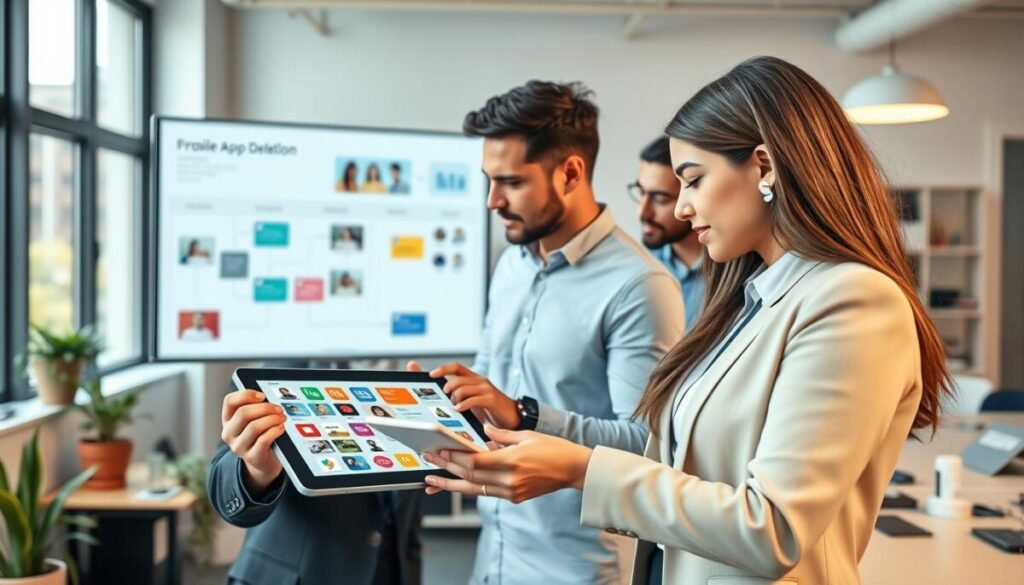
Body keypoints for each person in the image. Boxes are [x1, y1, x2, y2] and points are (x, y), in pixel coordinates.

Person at [420, 56, 953, 585]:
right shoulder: (747, 302)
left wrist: (578, 469)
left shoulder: (854, 300)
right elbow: (672, 459)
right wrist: (527, 422)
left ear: (764, 167)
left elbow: (773, 529)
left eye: (693, 181)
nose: (679, 209)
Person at [408, 80, 683, 585]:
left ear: (570, 173)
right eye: (489, 181)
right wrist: (432, 404)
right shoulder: (510, 266)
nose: (492, 201)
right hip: (492, 556)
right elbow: (486, 394)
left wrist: (525, 415)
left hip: (576, 568)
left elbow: (645, 445)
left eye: (511, 182)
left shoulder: (640, 286)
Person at [209, 363, 426, 585]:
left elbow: (407, 524)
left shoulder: (408, 379)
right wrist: (256, 471)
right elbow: (225, 494)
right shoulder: (272, 376)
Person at [632, 137, 705, 331]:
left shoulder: (738, 273)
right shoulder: (637, 268)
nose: (642, 212)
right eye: (641, 193)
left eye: (660, 198)